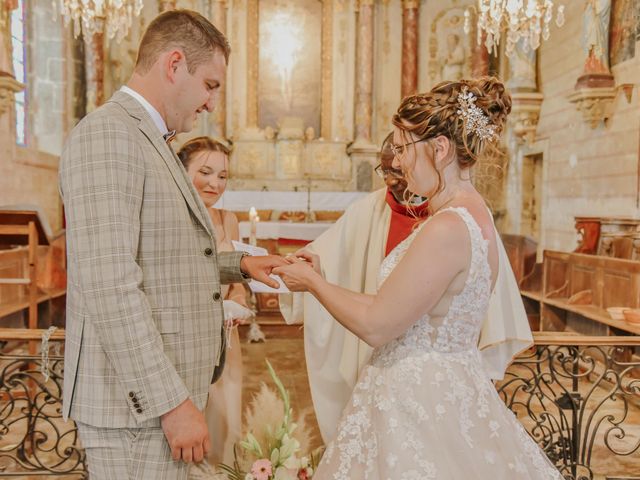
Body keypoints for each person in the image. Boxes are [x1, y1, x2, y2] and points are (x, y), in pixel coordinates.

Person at [275, 77, 563, 479]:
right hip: (442, 391)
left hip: (417, 403)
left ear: (440, 148)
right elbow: (396, 309)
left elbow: (377, 325)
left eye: (403, 147)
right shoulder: (475, 215)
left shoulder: (446, 228)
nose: (396, 161)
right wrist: (322, 277)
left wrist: (313, 284)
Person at [59, 10, 285, 479]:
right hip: (136, 409)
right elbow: (109, 284)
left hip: (154, 402)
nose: (210, 103)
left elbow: (164, 257)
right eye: (210, 84)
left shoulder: (150, 139)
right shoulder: (109, 135)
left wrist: (241, 265)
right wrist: (171, 403)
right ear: (174, 63)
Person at [278, 133, 430, 443]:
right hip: (374, 345)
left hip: (426, 358)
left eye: (397, 172)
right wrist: (315, 271)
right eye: (384, 170)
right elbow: (333, 255)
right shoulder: (369, 208)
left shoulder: (450, 214)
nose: (389, 181)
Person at [177, 136, 249, 466]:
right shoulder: (170, 218)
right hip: (186, 341)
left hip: (227, 342)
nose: (215, 183)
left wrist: (238, 303)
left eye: (222, 176)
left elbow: (237, 279)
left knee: (227, 426)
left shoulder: (227, 220)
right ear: (181, 170)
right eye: (205, 172)